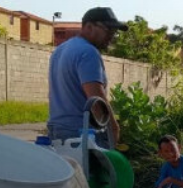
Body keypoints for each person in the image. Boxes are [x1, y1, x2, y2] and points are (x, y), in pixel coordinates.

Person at [47, 7, 127, 145]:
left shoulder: (60, 50)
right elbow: (96, 99)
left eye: (114, 32)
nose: (111, 36)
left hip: (56, 130)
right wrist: (113, 128)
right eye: (108, 30)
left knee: (68, 167)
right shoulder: (88, 52)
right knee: (89, 167)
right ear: (89, 26)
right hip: (81, 134)